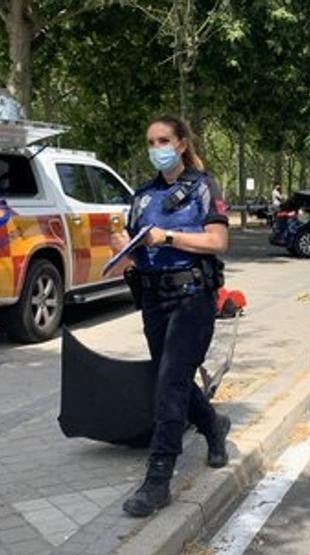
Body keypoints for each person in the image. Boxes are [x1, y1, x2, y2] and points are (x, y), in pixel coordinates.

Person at [112, 116, 232, 518]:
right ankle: (213, 426)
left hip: (192, 298)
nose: (156, 147)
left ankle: (159, 478)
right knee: (172, 378)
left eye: (164, 140)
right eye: (150, 141)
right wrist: (121, 248)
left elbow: (218, 241)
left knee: (168, 383)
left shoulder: (201, 188)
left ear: (181, 144)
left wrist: (168, 237)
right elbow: (134, 249)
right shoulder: (142, 197)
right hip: (154, 299)